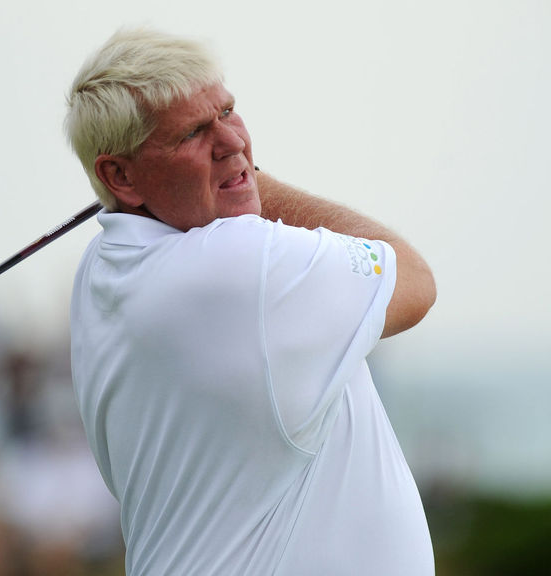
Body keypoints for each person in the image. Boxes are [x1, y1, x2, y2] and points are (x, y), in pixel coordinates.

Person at [65, 27, 437, 575]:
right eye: (194, 132)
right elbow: (414, 281)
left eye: (228, 111)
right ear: (119, 174)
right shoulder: (236, 265)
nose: (233, 141)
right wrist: (249, 179)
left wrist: (221, 175)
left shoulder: (99, 269)